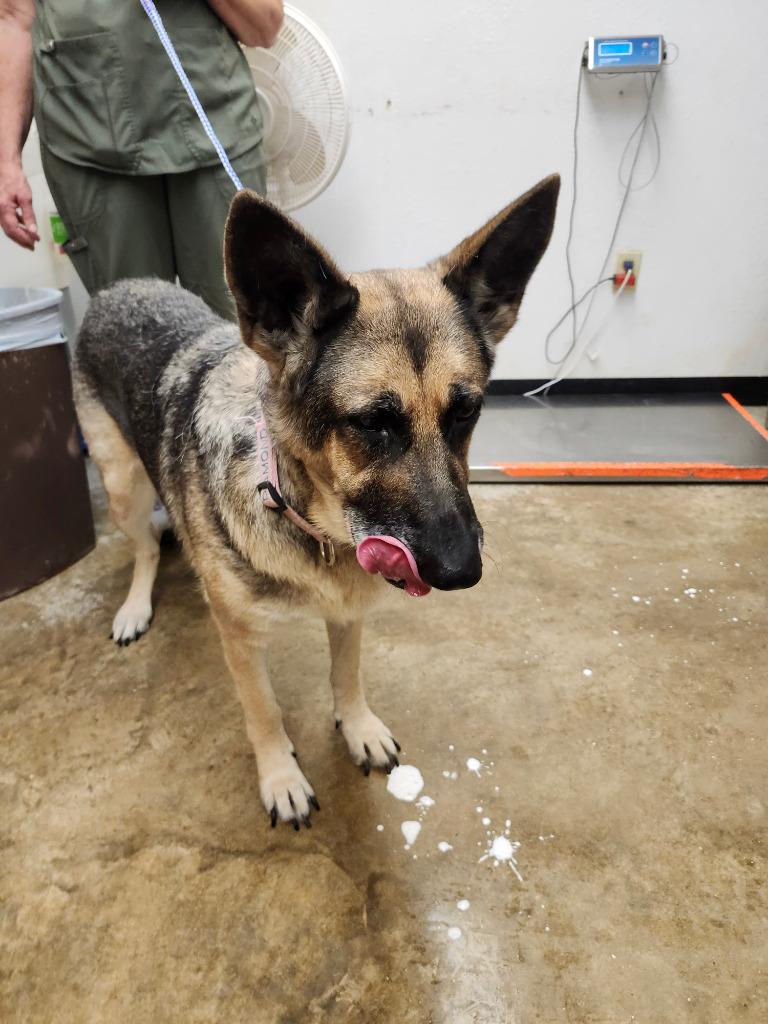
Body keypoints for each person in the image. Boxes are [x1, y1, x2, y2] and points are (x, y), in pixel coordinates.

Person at [0, 0, 282, 318]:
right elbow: (15, 20)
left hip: (212, 122)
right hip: (87, 134)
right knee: (134, 330)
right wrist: (5, 161)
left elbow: (265, 26)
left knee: (239, 326)